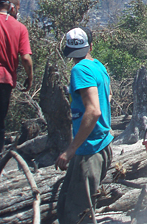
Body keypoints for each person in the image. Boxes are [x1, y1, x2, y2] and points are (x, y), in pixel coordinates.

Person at [55, 27, 113, 224]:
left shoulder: (79, 70)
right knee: (65, 205)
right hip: (100, 145)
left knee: (78, 216)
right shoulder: (98, 66)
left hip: (89, 150)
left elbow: (94, 111)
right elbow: (107, 98)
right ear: (90, 46)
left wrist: (70, 150)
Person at [0, 0, 33, 153]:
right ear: (12, 8)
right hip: (3, 80)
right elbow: (25, 58)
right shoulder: (19, 28)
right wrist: (29, 76)